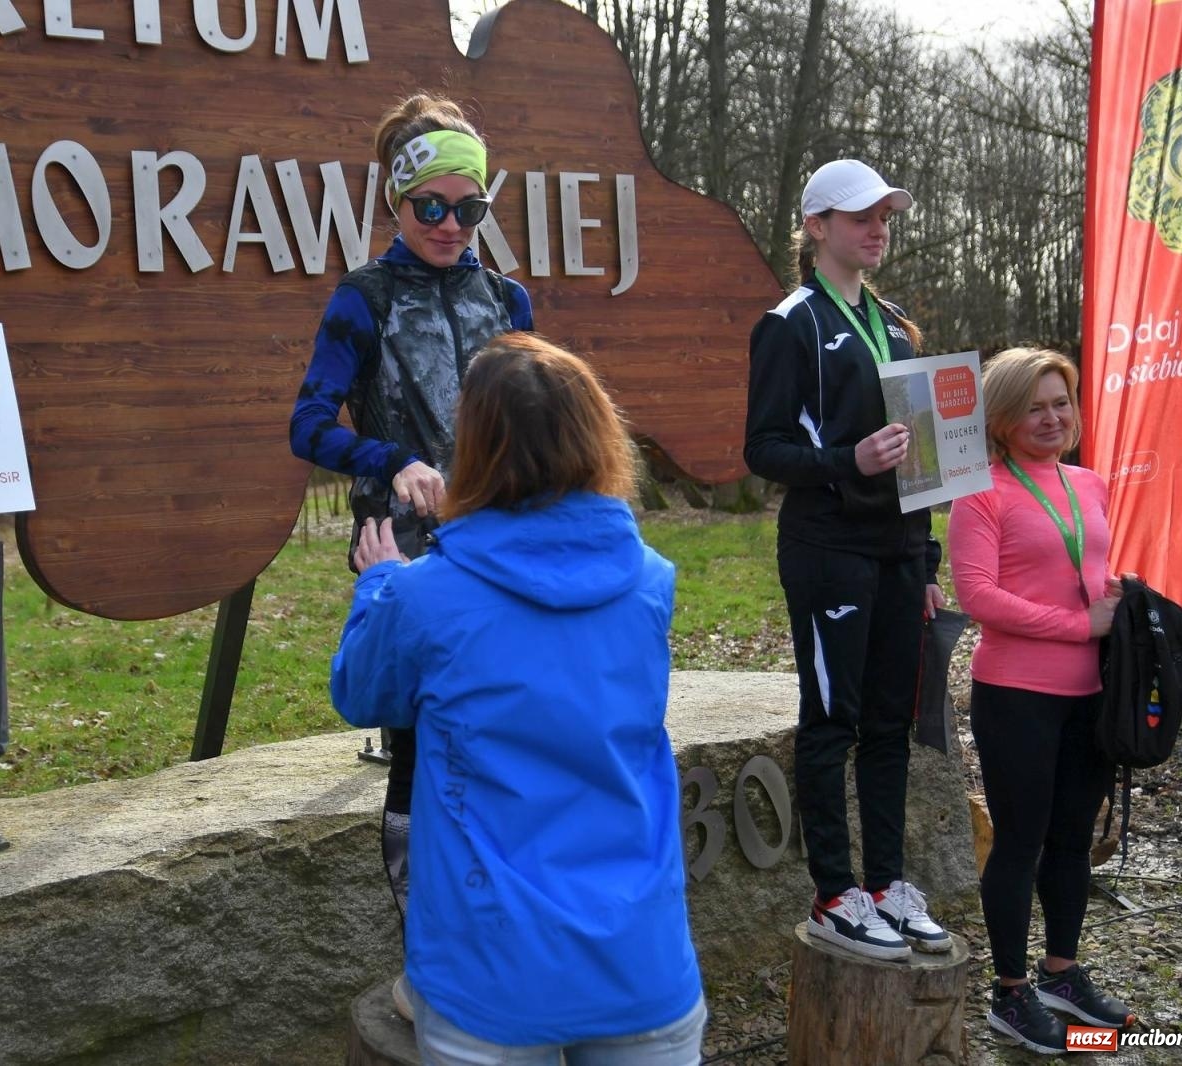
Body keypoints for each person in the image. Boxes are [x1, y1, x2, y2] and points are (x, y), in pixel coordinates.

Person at [331, 332, 705, 1064]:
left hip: (487, 972)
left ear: (472, 444)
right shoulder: (650, 582)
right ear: (598, 433)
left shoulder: (425, 597)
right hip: (641, 958)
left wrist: (378, 582)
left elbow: (362, 690)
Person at [288, 90, 533, 1009]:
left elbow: (536, 415)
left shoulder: (504, 295)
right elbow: (308, 425)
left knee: (501, 736)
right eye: (430, 206)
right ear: (396, 202)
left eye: (468, 208)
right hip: (410, 553)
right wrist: (394, 462)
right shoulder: (364, 297)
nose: (449, 225)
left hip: (503, 546)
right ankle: (430, 962)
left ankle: (501, 943)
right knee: (420, 745)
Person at [743, 158, 951, 961]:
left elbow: (923, 458)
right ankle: (835, 893)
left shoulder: (895, 324)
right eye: (861, 215)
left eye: (886, 215)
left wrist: (927, 564)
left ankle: (888, 885)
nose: (878, 227)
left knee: (890, 725)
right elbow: (763, 448)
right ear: (816, 226)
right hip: (829, 549)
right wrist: (846, 460)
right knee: (832, 721)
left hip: (899, 551)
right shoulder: (790, 322)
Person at [950, 348, 1136, 1054]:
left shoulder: (1090, 484)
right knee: (1020, 843)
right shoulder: (981, 491)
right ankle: (1010, 993)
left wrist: (1117, 595)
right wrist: (1076, 624)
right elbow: (980, 596)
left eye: (1061, 402)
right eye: (1035, 406)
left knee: (1070, 842)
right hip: (1016, 695)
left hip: (1091, 695)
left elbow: (1082, 570)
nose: (1052, 417)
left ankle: (1061, 973)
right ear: (1001, 419)